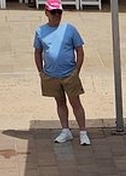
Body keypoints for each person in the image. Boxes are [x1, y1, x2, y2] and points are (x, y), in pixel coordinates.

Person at [33, 0, 90, 146]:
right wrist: (40, 71)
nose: (57, 15)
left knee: (75, 102)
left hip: (69, 73)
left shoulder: (70, 29)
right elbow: (38, 52)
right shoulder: (40, 31)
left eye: (59, 12)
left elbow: (80, 50)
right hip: (51, 75)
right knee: (60, 102)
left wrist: (76, 70)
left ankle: (83, 132)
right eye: (54, 12)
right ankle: (65, 130)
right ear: (46, 13)